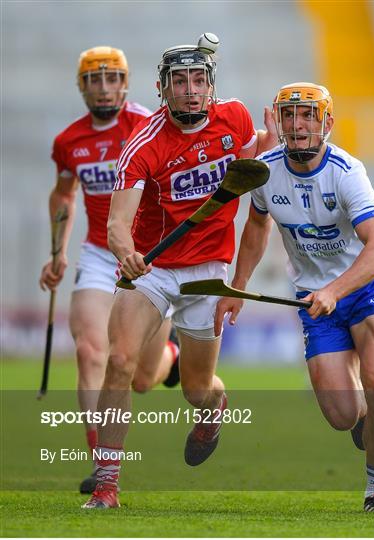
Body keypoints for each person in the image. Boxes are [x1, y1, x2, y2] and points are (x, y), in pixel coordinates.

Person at [82, 33, 277, 509]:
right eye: (180, 82)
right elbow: (117, 225)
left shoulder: (235, 119)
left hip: (209, 271)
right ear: (162, 88)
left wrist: (266, 147)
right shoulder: (143, 144)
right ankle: (107, 485)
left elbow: (251, 179)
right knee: (120, 363)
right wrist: (127, 253)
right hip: (152, 269)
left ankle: (215, 408)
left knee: (196, 390)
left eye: (198, 80)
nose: (190, 90)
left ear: (210, 85)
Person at [215, 82, 374, 514]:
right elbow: (257, 228)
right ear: (278, 123)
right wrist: (237, 287)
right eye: (289, 116)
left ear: (327, 124)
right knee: (341, 416)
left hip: (366, 288)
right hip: (313, 301)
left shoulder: (346, 171)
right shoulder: (264, 171)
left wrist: (336, 290)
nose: (297, 126)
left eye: (308, 116)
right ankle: (362, 421)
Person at [39, 46, 180, 495]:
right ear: (82, 87)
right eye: (94, 80)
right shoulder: (69, 141)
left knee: (140, 378)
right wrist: (58, 250)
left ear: (127, 82)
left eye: (113, 79)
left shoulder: (146, 125)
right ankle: (102, 464)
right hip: (100, 255)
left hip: (147, 256)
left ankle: (170, 357)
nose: (104, 88)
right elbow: (64, 196)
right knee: (90, 353)